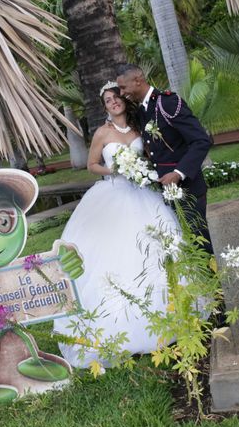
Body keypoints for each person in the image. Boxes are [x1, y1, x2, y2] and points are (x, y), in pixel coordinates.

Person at [53, 81, 180, 368]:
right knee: (114, 253)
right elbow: (92, 165)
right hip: (113, 192)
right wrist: (115, 169)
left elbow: (150, 156)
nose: (113, 103)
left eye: (116, 98)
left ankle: (162, 314)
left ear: (124, 101)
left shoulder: (138, 129)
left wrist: (143, 169)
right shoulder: (102, 132)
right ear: (104, 107)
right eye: (108, 100)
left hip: (143, 194)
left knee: (154, 247)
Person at [116, 63, 213, 254]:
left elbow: (201, 140)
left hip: (188, 189)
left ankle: (214, 283)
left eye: (123, 87)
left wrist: (178, 173)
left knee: (199, 243)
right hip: (164, 191)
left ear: (138, 80)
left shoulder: (167, 103)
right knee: (183, 245)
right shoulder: (142, 110)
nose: (121, 92)